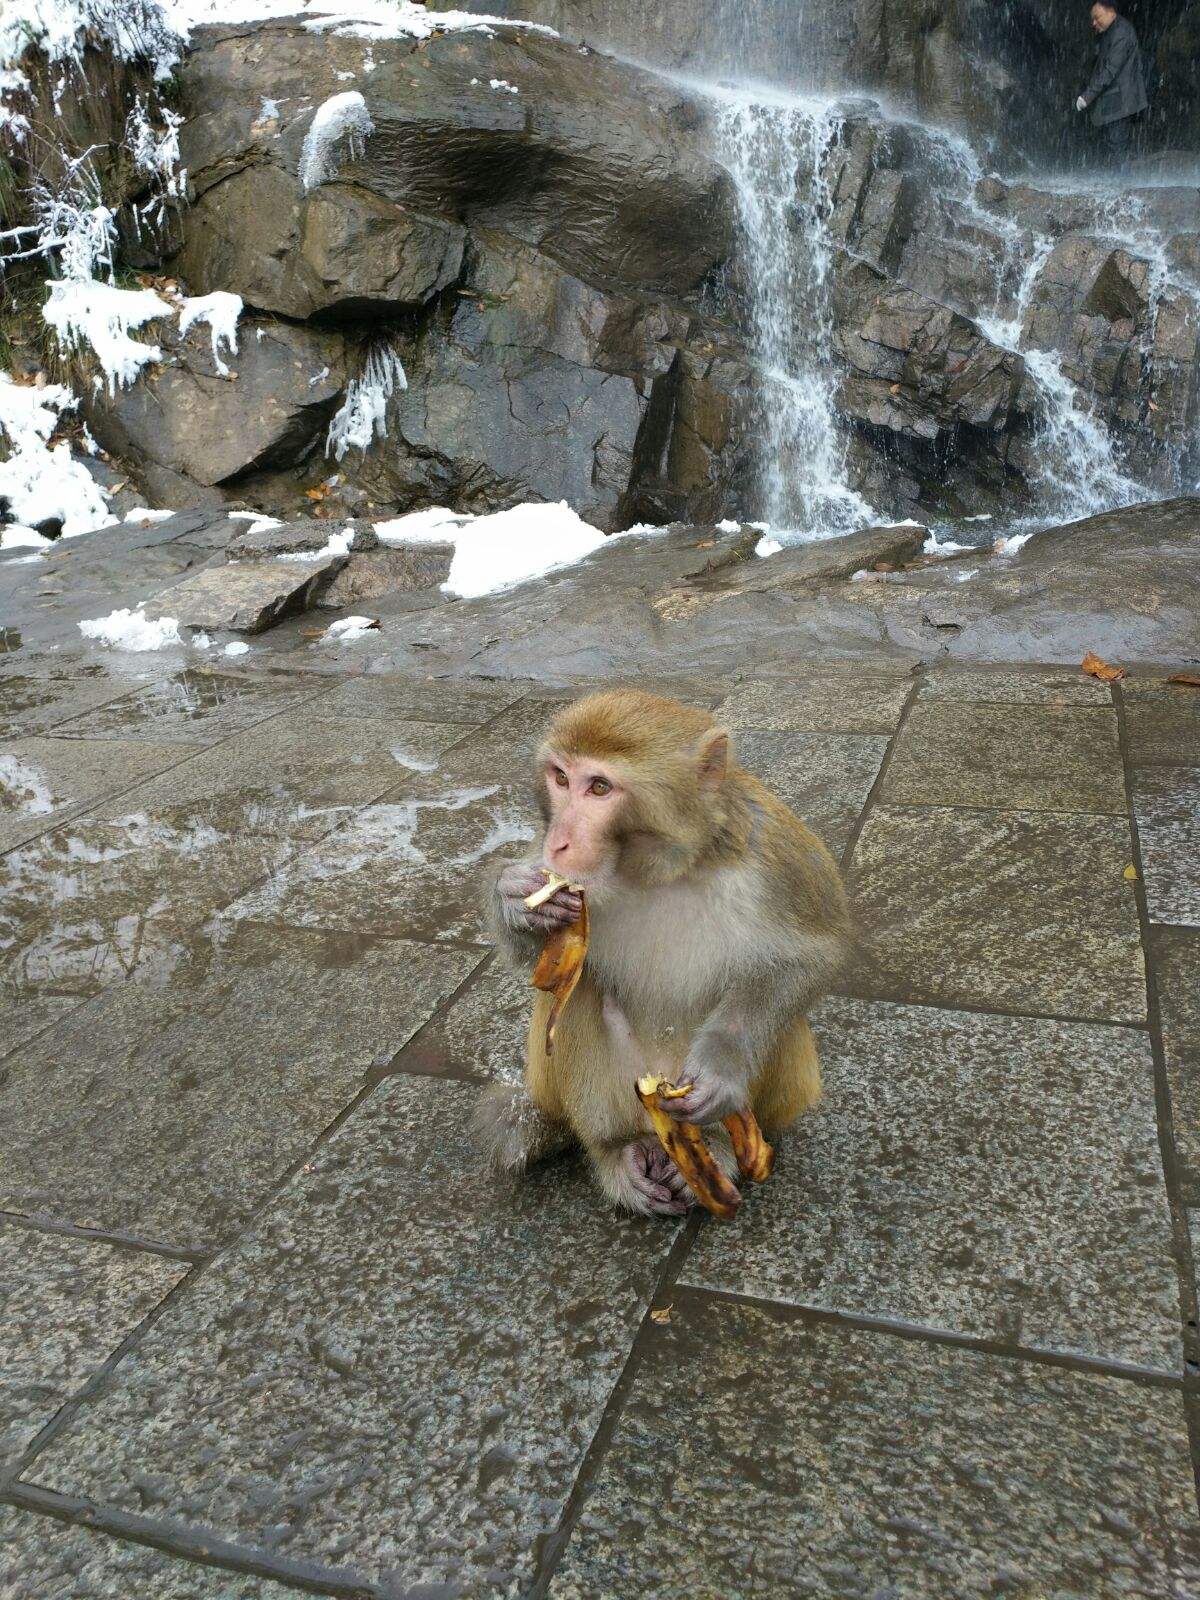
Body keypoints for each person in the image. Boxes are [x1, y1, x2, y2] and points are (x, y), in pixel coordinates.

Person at [1076, 3, 1148, 163]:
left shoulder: (1121, 32)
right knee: (1115, 146)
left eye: (1097, 17)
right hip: (1116, 102)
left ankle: (1125, 185)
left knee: (1118, 147)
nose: (1093, 23)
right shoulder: (1113, 31)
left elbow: (1110, 70)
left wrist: (1087, 97)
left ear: (1111, 12)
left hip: (1120, 102)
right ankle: (1122, 183)